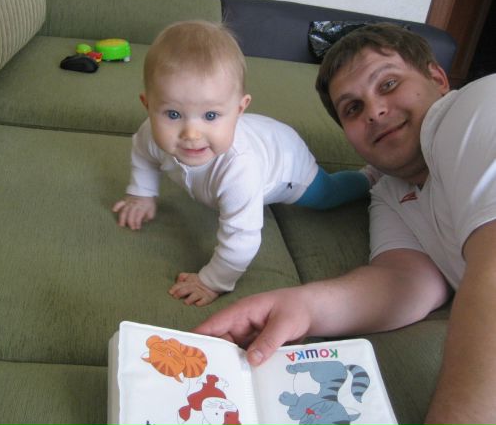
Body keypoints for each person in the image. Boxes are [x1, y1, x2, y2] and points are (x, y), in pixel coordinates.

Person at [194, 23, 496, 423]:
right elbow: (404, 282)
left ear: (438, 79)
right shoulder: (390, 191)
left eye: (388, 84)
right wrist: (302, 305)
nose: (374, 111)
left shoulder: (476, 108)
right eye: (353, 108)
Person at [112, 21, 378, 306]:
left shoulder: (239, 169)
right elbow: (143, 155)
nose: (191, 134)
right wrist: (142, 193)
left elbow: (242, 239)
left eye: (211, 116)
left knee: (328, 194)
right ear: (148, 105)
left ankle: (370, 177)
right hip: (261, 138)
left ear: (240, 109)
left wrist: (212, 281)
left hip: (286, 162)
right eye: (173, 114)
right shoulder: (149, 134)